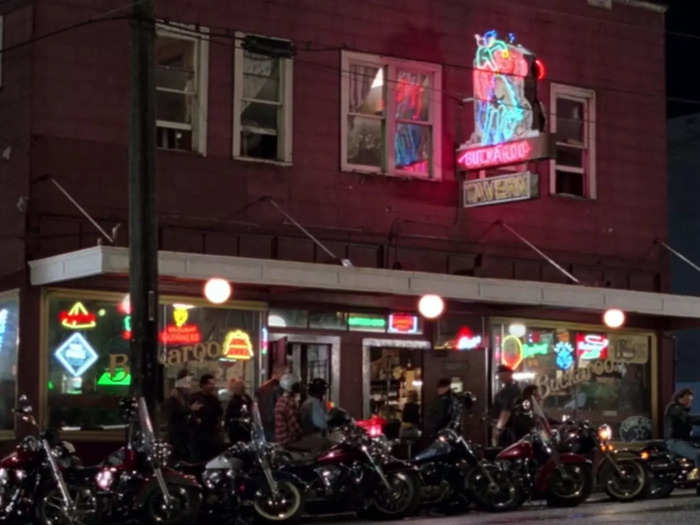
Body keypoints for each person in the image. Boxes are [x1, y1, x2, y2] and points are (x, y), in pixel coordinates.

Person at [163, 369, 202, 461]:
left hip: (185, 437)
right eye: (187, 382)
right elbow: (174, 413)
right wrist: (190, 410)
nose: (189, 385)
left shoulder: (185, 398)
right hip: (177, 437)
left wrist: (194, 420)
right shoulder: (175, 397)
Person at [664, 388, 700, 481]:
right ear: (680, 398)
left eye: (691, 400)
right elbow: (689, 419)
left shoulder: (682, 410)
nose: (690, 402)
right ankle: (695, 476)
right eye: (687, 399)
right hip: (674, 441)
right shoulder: (674, 408)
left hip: (683, 441)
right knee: (698, 454)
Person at [189, 374, 224, 462]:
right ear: (203, 385)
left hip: (212, 436)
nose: (212, 386)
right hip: (198, 436)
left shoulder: (214, 399)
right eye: (209, 384)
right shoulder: (195, 398)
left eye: (213, 384)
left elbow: (219, 414)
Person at [492, 365, 521, 447]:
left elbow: (506, 411)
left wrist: (498, 429)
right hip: (511, 429)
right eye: (499, 374)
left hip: (508, 430)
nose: (499, 377)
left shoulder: (510, 390)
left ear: (509, 374)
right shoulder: (514, 388)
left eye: (501, 374)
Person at [274, 373, 303, 447]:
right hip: (288, 441)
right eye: (296, 386)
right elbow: (295, 428)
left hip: (280, 440)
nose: (299, 388)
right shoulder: (289, 402)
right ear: (290, 387)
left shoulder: (281, 400)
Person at [256, 369, 283, 441]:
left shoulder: (262, 388)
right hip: (273, 419)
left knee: (266, 437)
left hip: (263, 418)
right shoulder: (277, 388)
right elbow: (279, 403)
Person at [225, 378, 253, 445]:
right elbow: (229, 415)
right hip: (237, 429)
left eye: (242, 387)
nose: (242, 388)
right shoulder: (233, 401)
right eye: (240, 387)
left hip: (246, 428)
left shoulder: (247, 397)